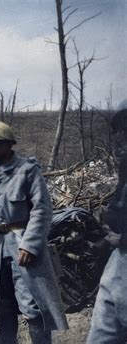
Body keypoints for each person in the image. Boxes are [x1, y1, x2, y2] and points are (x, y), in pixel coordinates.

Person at [0, 121, 68, 343]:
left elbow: (42, 209)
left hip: (22, 249)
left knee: (34, 307)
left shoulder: (28, 171)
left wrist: (30, 244)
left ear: (10, 145)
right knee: (2, 307)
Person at [87, 100, 127, 343]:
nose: (124, 134)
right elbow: (119, 204)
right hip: (119, 262)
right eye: (123, 128)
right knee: (101, 335)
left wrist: (123, 238)